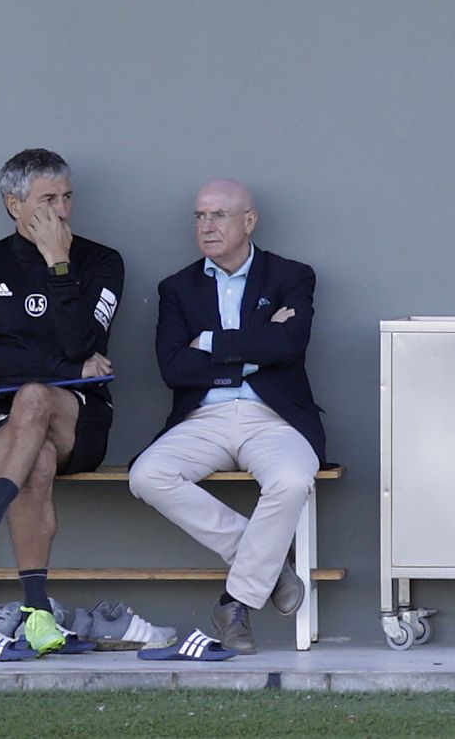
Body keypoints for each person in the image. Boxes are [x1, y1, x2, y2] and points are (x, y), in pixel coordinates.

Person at [129, 180, 326, 654]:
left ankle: (235, 600)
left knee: (294, 480)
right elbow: (174, 368)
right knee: (146, 475)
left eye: (218, 215)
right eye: (199, 216)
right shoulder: (177, 288)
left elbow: (289, 346)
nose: (207, 226)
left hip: (272, 416)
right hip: (204, 417)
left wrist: (212, 343)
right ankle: (267, 566)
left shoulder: (292, 276)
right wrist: (259, 342)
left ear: (249, 221)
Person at [0, 148, 125, 655]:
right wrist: (67, 367)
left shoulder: (102, 261)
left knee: (37, 396)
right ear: (13, 205)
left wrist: (57, 264)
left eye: (67, 197)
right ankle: (38, 612)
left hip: (80, 417)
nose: (62, 211)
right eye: (48, 199)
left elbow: (79, 340)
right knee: (34, 452)